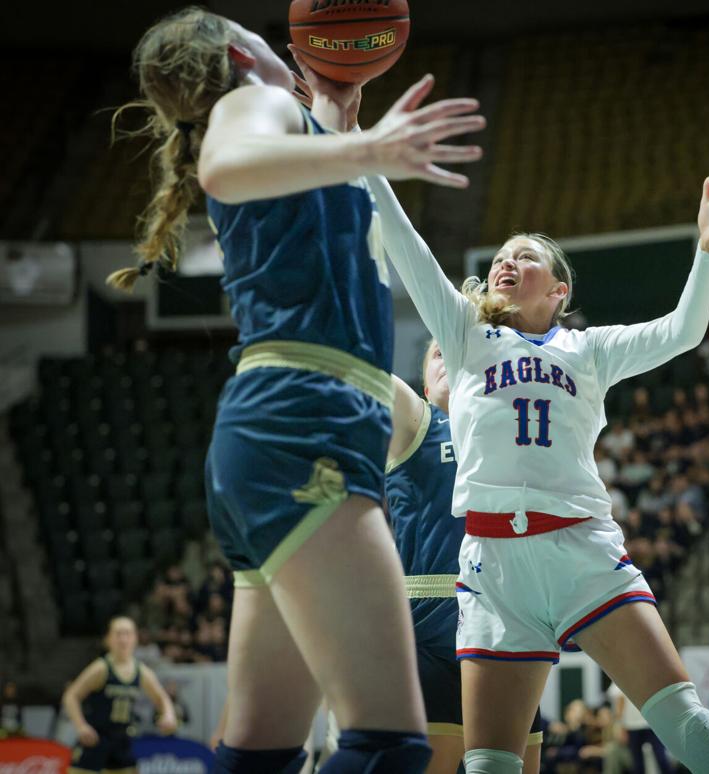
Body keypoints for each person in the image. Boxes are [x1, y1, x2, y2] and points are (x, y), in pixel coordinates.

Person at [106, 8, 484, 773]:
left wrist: (341, 117)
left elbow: (290, 170)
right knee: (387, 746)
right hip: (308, 419)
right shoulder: (253, 105)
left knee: (261, 752)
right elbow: (224, 165)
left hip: (274, 433)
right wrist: (369, 144)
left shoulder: (296, 128)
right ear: (240, 55)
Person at [368, 158, 709, 773]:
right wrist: (361, 147)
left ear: (558, 291)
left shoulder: (589, 349)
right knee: (491, 765)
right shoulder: (465, 334)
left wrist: (707, 251)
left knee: (687, 725)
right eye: (500, 256)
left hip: (582, 552)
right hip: (493, 571)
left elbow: (683, 331)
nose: (504, 262)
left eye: (524, 256)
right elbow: (405, 243)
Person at [323, 342, 544, 773]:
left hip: (509, 630)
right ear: (424, 381)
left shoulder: (513, 432)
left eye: (462, 351)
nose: (452, 360)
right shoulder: (418, 421)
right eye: (440, 353)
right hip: (430, 631)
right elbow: (365, 370)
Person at [63, 617, 178, 774]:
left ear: (135, 638)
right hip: (96, 739)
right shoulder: (101, 668)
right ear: (108, 639)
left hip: (122, 740)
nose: (123, 639)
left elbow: (161, 697)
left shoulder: (141, 670)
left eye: (128, 633)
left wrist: (169, 715)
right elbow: (71, 696)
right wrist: (81, 726)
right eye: (118, 634)